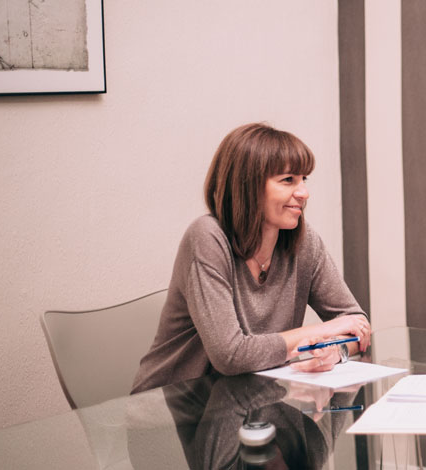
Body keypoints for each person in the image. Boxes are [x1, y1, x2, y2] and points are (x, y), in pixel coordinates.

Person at [131, 123, 370, 394]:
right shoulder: (207, 238)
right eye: (288, 180)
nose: (304, 192)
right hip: (173, 411)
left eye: (305, 179)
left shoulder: (303, 242)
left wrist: (334, 349)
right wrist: (325, 330)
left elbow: (356, 323)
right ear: (248, 186)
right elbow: (230, 355)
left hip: (249, 403)